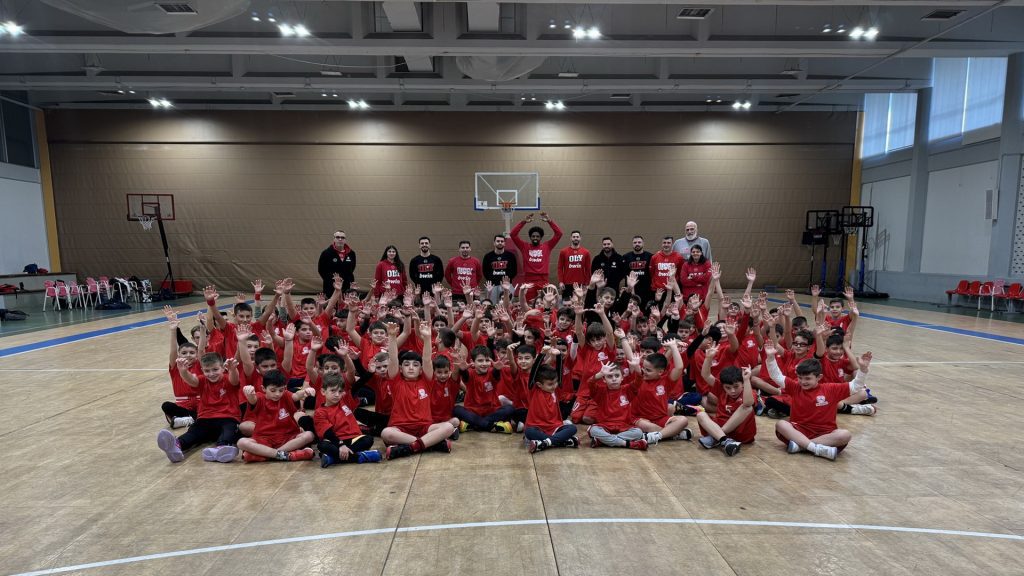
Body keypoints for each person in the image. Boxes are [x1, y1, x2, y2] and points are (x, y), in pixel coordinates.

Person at [764, 343, 873, 461]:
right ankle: (815, 448)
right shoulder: (795, 387)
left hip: (825, 434)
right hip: (798, 431)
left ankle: (801, 446)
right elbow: (776, 376)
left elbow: (856, 386)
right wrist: (770, 358)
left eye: (807, 378)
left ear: (819, 377)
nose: (803, 382)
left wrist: (863, 370)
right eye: (800, 378)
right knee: (781, 424)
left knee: (845, 435)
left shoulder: (831, 389)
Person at [381, 322, 456, 459]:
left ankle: (411, 447)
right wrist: (392, 337)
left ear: (421, 370)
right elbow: (393, 359)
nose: (411, 367)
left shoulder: (426, 381)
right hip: (400, 428)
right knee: (386, 433)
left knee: (449, 427)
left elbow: (427, 359)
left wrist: (427, 338)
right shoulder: (396, 381)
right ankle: (431, 443)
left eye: (415, 365)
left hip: (425, 427)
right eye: (406, 365)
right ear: (400, 369)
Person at [156, 353, 241, 463]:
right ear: (202, 370)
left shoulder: (227, 379)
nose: (211, 374)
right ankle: (176, 446)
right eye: (207, 371)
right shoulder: (202, 380)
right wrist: (183, 371)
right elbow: (191, 380)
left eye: (215, 369)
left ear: (222, 368)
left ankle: (222, 448)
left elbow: (235, 380)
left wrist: (233, 369)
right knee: (193, 432)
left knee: (229, 430)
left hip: (228, 418)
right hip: (205, 419)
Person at [236, 370, 316, 462]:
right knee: (241, 442)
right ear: (263, 388)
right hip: (264, 439)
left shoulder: (286, 395)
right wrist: (249, 392)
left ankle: (269, 455)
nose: (277, 394)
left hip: (288, 438)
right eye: (273, 390)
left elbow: (297, 395)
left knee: (309, 435)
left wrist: (305, 391)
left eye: (281, 390)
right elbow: (252, 399)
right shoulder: (259, 398)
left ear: (285, 388)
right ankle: (286, 455)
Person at [315, 372, 382, 467]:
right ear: (323, 391)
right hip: (335, 441)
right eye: (333, 391)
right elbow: (328, 433)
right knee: (322, 445)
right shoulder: (319, 412)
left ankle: (332, 459)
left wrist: (369, 372)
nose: (337, 395)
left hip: (353, 439)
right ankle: (360, 457)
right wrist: (341, 445)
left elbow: (358, 385)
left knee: (368, 439)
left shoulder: (345, 400)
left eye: (340, 391)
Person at [524, 347, 580, 453]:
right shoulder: (534, 390)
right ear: (539, 384)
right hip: (537, 428)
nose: (554, 386)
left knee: (572, 428)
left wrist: (558, 356)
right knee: (529, 432)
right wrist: (542, 354)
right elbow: (533, 373)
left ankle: (545, 443)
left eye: (555, 382)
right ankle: (562, 441)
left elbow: (559, 372)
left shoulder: (555, 389)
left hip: (554, 427)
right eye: (550, 384)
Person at [510, 212, 562, 302]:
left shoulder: (547, 246)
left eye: (537, 236)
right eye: (533, 236)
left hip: (543, 279)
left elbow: (559, 234)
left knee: (545, 302)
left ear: (541, 238)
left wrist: (550, 221)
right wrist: (523, 222)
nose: (535, 238)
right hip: (529, 279)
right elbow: (513, 234)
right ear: (530, 237)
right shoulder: (524, 246)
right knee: (529, 302)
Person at [161, 310, 199, 429]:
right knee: (166, 406)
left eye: (192, 352)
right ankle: (192, 419)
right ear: (179, 354)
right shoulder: (175, 366)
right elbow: (173, 350)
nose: (188, 355)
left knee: (212, 409)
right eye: (184, 353)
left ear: (197, 354)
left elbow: (202, 348)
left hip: (201, 404)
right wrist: (173, 330)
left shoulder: (200, 364)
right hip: (183, 406)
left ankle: (187, 420)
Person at [317, 230, 356, 297]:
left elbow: (352, 268)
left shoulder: (351, 253)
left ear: (345, 240)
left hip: (346, 286)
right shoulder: (326, 253)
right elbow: (321, 270)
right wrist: (329, 280)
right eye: (337, 237)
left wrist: (346, 277)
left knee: (346, 303)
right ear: (334, 239)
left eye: (342, 237)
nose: (340, 239)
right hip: (331, 287)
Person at [482, 234, 518, 303]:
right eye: (498, 241)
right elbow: (485, 271)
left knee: (508, 304)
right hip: (492, 286)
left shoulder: (510, 256)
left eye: (502, 241)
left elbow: (514, 271)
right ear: (494, 243)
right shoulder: (488, 256)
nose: (500, 243)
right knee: (492, 305)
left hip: (507, 285)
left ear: (504, 243)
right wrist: (492, 280)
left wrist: (507, 280)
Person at [557, 230, 591, 302]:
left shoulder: (586, 252)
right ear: (571, 238)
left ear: (580, 238)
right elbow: (560, 268)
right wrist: (561, 281)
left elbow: (588, 269)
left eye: (577, 237)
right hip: (567, 283)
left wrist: (587, 283)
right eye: (574, 237)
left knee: (580, 303)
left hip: (581, 283)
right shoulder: (563, 251)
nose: (576, 238)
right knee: (567, 304)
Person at [622, 235, 653, 305]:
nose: (637, 244)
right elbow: (624, 274)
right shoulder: (626, 257)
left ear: (643, 243)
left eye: (639, 242)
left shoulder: (650, 256)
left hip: (646, 290)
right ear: (632, 244)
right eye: (635, 242)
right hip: (631, 290)